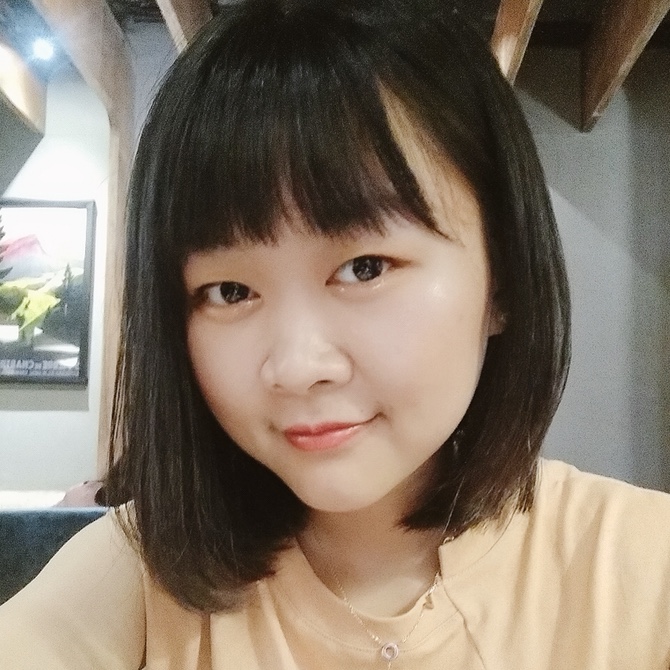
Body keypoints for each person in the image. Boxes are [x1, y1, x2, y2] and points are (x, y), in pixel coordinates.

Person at [1, 0, 670, 667]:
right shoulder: (139, 572)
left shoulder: (642, 568)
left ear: (502, 280)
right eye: (230, 291)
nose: (297, 366)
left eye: (364, 268)